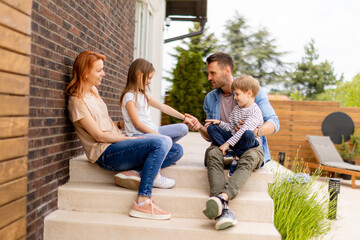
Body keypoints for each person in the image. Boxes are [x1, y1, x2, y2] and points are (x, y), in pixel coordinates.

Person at [66, 51, 179, 220]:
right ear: (85, 72)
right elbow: (99, 136)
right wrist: (130, 139)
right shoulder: (78, 102)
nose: (103, 74)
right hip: (105, 153)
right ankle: (142, 201)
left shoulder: (93, 92)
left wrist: (119, 125)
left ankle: (135, 172)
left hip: (117, 143)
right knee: (160, 143)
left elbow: (102, 121)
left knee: (176, 150)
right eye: (99, 70)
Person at [185, 52, 280, 230]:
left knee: (250, 157)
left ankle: (222, 199)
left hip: (249, 143)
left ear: (227, 70)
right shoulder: (210, 98)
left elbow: (275, 123)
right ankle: (224, 208)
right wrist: (199, 126)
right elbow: (211, 135)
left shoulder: (252, 91)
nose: (208, 78)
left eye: (212, 73)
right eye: (208, 73)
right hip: (226, 146)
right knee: (212, 152)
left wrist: (253, 130)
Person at [119, 58, 190, 188]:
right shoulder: (129, 97)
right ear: (139, 74)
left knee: (180, 140)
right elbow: (137, 124)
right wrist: (159, 136)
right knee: (168, 142)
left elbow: (164, 107)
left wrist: (184, 118)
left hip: (151, 131)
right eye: (149, 78)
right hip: (137, 135)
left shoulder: (144, 95)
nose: (150, 82)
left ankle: (137, 171)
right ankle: (155, 175)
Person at [205, 75, 263, 177]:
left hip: (248, 143)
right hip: (235, 142)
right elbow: (231, 128)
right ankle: (230, 152)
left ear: (249, 93)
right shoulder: (236, 109)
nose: (234, 97)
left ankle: (237, 158)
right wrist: (219, 123)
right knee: (212, 128)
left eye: (237, 94)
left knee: (248, 133)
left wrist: (227, 143)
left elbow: (243, 130)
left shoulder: (255, 111)